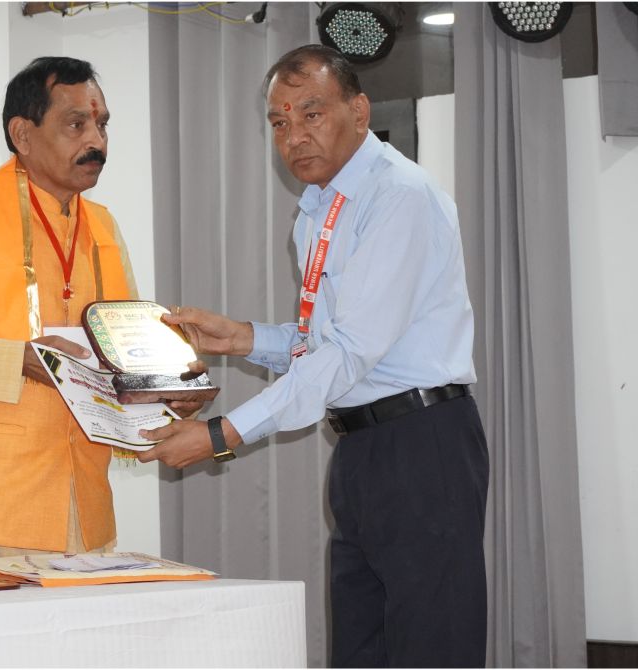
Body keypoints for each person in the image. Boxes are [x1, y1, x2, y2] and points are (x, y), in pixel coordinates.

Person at [139, 45, 488, 668]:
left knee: (431, 647)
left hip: (423, 443)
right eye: (279, 122)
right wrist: (241, 338)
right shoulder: (317, 211)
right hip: (359, 448)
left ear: (359, 111)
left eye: (311, 114)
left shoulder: (398, 196)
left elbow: (349, 353)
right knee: (360, 649)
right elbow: (326, 344)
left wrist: (221, 434)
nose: (294, 136)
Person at [0, 57, 201, 574]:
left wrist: (170, 395)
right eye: (76, 124)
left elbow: (119, 363)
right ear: (23, 134)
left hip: (81, 514)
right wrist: (17, 361)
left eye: (102, 124)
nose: (97, 141)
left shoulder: (104, 229)